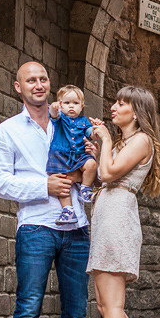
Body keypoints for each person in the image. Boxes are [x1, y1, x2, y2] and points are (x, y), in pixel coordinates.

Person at [0, 61, 101, 318]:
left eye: (43, 79)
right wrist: (43, 186)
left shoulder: (68, 121)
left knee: (77, 310)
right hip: (36, 226)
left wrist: (91, 163)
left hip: (76, 227)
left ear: (50, 85)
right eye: (30, 80)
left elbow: (87, 171)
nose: (38, 84)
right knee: (28, 309)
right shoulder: (8, 131)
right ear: (17, 87)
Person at [86, 86, 160, 318]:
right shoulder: (123, 143)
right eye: (115, 101)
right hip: (107, 219)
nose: (114, 107)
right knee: (107, 306)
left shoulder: (141, 140)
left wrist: (103, 141)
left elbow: (108, 173)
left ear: (137, 111)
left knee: (113, 305)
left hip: (118, 221)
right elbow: (96, 177)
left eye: (122, 103)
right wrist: (101, 147)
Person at [47, 85, 98, 225]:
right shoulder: (60, 119)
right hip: (61, 155)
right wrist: (54, 107)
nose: (71, 106)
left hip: (80, 154)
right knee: (62, 183)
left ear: (81, 106)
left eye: (75, 103)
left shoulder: (84, 121)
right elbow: (53, 114)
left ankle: (85, 189)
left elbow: (91, 134)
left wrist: (97, 129)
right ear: (61, 104)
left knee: (91, 164)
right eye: (67, 103)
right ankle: (68, 210)